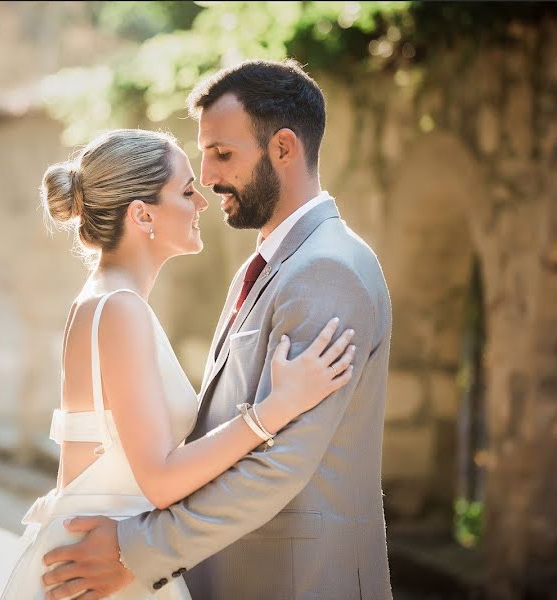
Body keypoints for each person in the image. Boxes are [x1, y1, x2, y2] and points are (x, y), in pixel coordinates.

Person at [41, 60, 393, 600]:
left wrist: (135, 551)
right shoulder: (257, 271)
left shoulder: (328, 270)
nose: (206, 179)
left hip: (296, 582)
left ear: (282, 148)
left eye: (222, 154)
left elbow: (281, 465)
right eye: (201, 160)